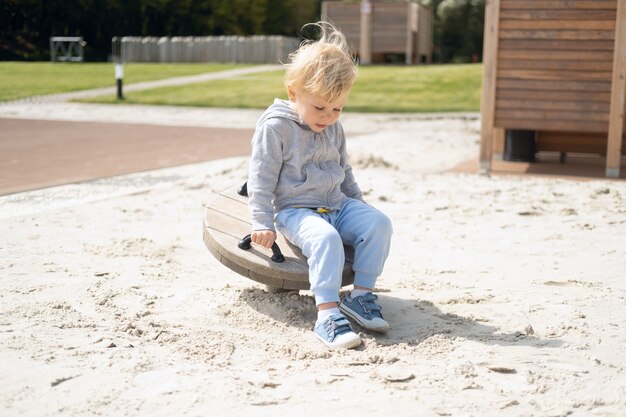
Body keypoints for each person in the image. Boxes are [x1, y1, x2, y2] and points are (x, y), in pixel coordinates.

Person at [247, 21, 393, 350]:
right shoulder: (276, 128)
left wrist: (359, 202)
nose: (328, 116)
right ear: (293, 93)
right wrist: (260, 221)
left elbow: (344, 169)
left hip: (337, 206)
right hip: (297, 212)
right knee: (326, 240)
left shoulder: (333, 128)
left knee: (380, 224)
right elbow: (261, 176)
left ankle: (360, 297)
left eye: (337, 108)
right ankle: (327, 314)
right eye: (320, 107)